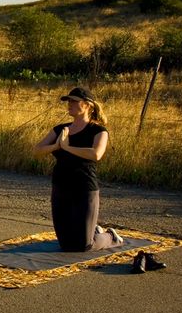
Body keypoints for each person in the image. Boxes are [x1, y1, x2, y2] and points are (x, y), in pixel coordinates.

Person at [34, 86, 125, 252]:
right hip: (61, 186)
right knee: (66, 245)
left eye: (74, 101)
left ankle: (110, 237)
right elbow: (37, 150)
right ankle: (94, 230)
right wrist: (56, 145)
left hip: (84, 188)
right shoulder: (61, 129)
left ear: (87, 105)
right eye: (68, 101)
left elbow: (96, 154)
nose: (69, 104)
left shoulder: (98, 131)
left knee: (84, 245)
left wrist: (67, 147)